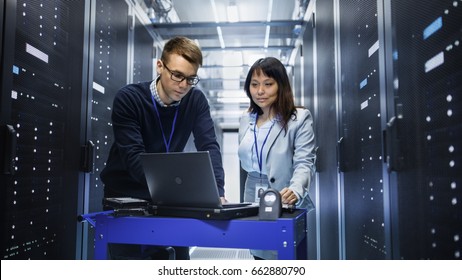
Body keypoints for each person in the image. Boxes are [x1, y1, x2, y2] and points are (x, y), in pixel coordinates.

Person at [100, 36, 226, 260]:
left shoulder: (195, 101)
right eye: (177, 75)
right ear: (160, 66)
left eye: (191, 79)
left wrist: (216, 192)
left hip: (167, 198)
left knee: (177, 260)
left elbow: (209, 145)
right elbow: (134, 158)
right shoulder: (129, 99)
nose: (183, 85)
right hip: (126, 196)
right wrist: (177, 192)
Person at [238, 57, 316, 260]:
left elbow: (305, 162)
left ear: (281, 85)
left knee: (285, 259)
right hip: (253, 201)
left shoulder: (298, 118)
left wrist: (296, 189)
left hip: (285, 199)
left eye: (268, 84)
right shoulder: (246, 120)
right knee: (260, 257)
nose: (260, 91)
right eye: (254, 85)